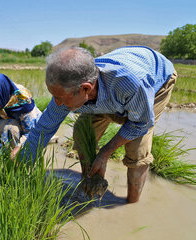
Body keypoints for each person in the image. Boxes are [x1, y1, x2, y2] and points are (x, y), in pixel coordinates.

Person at [13, 46, 177, 203]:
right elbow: (44, 129)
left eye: (60, 97)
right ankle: (89, 186)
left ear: (85, 89)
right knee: (83, 133)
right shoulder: (70, 87)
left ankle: (131, 203)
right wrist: (21, 163)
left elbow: (140, 124)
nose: (56, 103)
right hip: (108, 94)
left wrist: (105, 153)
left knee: (137, 147)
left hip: (157, 80)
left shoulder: (131, 83)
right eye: (53, 95)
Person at [0, 73, 42, 154]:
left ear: (1, 93)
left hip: (33, 128)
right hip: (6, 120)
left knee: (10, 128)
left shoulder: (23, 100)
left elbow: (31, 132)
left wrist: (18, 149)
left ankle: (15, 158)